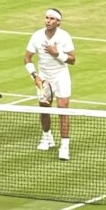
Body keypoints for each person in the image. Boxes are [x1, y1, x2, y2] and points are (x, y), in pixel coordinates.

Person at [24, 8, 76, 161]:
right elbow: (27, 58)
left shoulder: (64, 36)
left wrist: (56, 53)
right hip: (43, 77)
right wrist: (35, 75)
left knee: (63, 110)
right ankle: (47, 137)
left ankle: (64, 145)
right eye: (46, 18)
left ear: (58, 22)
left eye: (52, 19)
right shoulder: (36, 36)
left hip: (61, 77)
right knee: (44, 109)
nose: (48, 21)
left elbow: (73, 60)